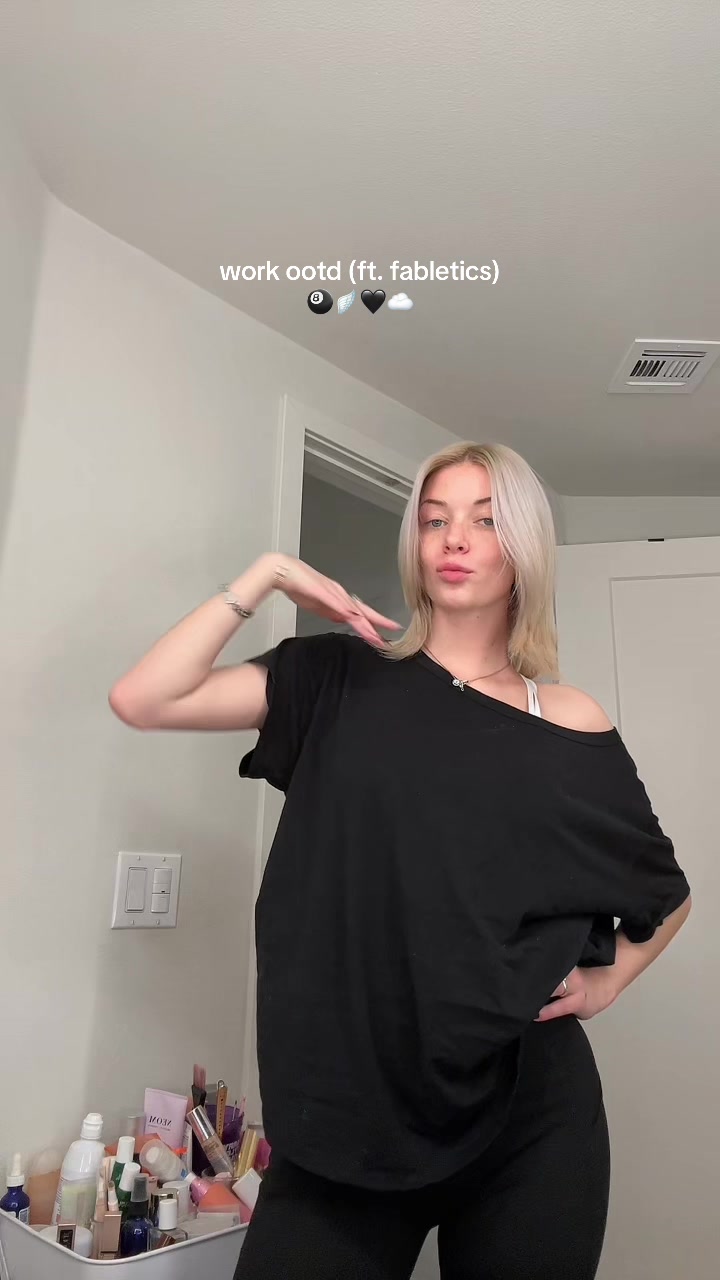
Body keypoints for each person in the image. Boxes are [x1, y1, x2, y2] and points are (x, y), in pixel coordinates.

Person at [109, 441, 692, 1279]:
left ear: (524, 547)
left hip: (530, 1115)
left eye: (485, 520)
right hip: (347, 1112)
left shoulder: (568, 719)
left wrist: (605, 984)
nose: (454, 538)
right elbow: (143, 697)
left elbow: (664, 892)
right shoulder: (337, 678)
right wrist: (267, 576)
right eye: (434, 519)